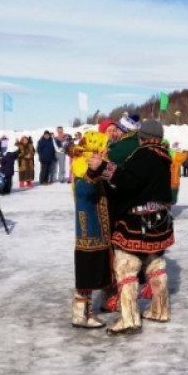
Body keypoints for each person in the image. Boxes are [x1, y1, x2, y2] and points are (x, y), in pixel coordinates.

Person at [89, 119, 174, 334]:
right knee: (155, 264)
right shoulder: (165, 157)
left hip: (137, 221)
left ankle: (129, 319)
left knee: (126, 267)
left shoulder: (143, 154)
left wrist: (104, 168)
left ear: (141, 137)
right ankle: (159, 309)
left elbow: (128, 182)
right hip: (160, 221)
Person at [70, 130, 114, 329]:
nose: (105, 152)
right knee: (86, 272)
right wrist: (94, 172)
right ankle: (81, 315)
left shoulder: (92, 171)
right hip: (89, 230)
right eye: (102, 150)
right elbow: (85, 192)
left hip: (98, 229)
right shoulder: (82, 172)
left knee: (94, 269)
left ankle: (87, 311)